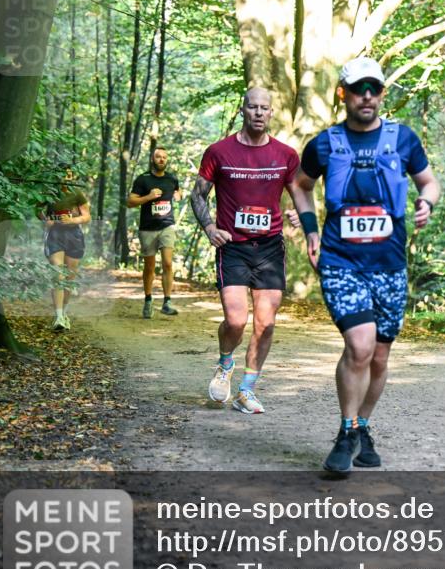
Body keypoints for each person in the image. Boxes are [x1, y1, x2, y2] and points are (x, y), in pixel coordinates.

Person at [295, 57, 441, 474]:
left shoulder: (403, 139)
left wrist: (426, 203)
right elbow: (300, 187)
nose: (367, 96)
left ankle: (363, 425)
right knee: (358, 347)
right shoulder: (324, 144)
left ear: (382, 94)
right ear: (343, 93)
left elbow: (429, 181)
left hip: (389, 264)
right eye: (359, 89)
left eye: (373, 89)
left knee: (379, 356)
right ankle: (344, 433)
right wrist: (310, 231)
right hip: (341, 261)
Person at [190, 87, 320, 415]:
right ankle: (224, 365)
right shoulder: (219, 152)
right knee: (236, 320)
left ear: (271, 112)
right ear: (243, 110)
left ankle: (246, 390)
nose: (259, 113)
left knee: (266, 322)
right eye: (253, 107)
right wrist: (209, 228)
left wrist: (301, 219)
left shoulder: (286, 155)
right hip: (232, 247)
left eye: (265, 107)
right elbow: (198, 195)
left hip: (270, 248)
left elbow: (302, 193)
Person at [128, 146, 181, 318]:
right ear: (153, 159)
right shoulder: (143, 180)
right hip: (148, 228)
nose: (161, 160)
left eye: (164, 157)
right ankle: (148, 300)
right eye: (158, 157)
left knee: (167, 263)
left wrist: (178, 194)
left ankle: (167, 302)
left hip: (167, 225)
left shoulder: (172, 179)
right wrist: (148, 197)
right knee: (149, 266)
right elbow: (130, 201)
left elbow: (177, 190)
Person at [41, 166, 91, 331]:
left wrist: (72, 221)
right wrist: (46, 219)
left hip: (74, 236)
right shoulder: (50, 191)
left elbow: (87, 216)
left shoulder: (77, 193)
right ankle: (59, 317)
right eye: (63, 175)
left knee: (69, 277)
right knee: (58, 274)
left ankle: (65, 312)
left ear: (72, 176)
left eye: (69, 175)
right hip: (55, 235)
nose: (66, 178)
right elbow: (38, 210)